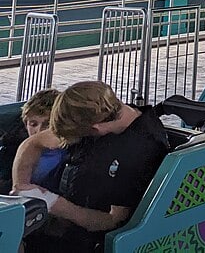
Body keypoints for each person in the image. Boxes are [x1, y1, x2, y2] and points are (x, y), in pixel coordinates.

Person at [15, 81, 169, 253]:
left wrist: (56, 204)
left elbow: (114, 221)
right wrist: (21, 185)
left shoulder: (141, 151)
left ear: (94, 129)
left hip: (88, 240)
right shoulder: (102, 112)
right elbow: (33, 143)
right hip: (58, 220)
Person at [13, 89, 66, 193]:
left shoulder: (73, 152)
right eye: (33, 124)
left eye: (48, 124)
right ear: (25, 125)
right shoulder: (12, 149)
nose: (40, 130)